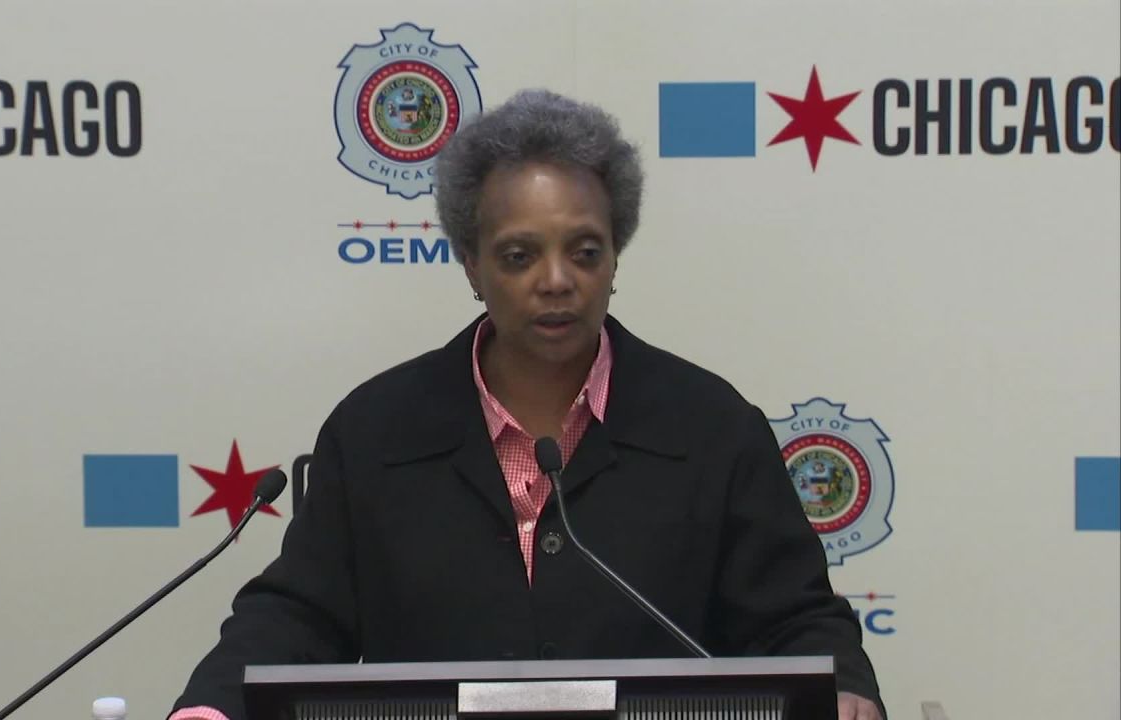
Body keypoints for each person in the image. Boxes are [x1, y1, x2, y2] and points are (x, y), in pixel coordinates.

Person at [171, 89, 886, 720]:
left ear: (615, 258)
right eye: (519, 256)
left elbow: (794, 619)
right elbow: (301, 614)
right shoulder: (376, 431)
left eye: (584, 252)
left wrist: (848, 688)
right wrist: (213, 704)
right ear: (471, 265)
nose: (556, 281)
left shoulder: (711, 427)